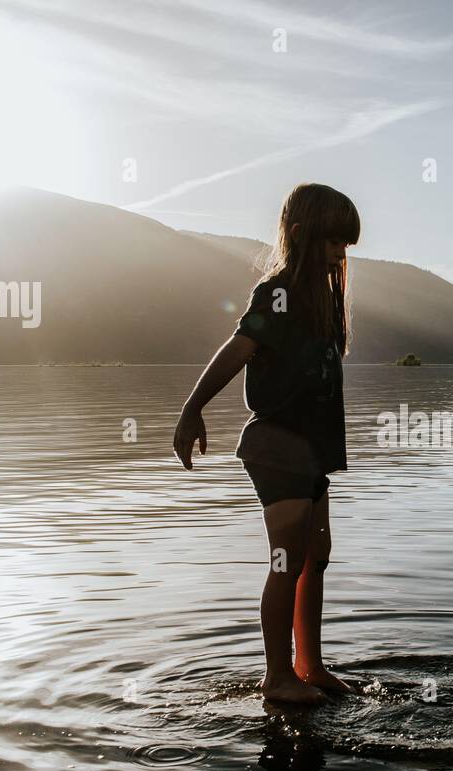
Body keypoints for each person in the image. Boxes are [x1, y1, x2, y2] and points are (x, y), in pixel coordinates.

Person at [173, 183, 360, 705]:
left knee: (315, 553)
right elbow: (238, 348)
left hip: (310, 448)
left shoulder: (324, 300)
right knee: (287, 557)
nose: (340, 254)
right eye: (331, 243)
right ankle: (276, 675)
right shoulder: (276, 294)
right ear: (300, 236)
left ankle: (309, 664)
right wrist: (193, 408)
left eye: (345, 245)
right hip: (276, 444)